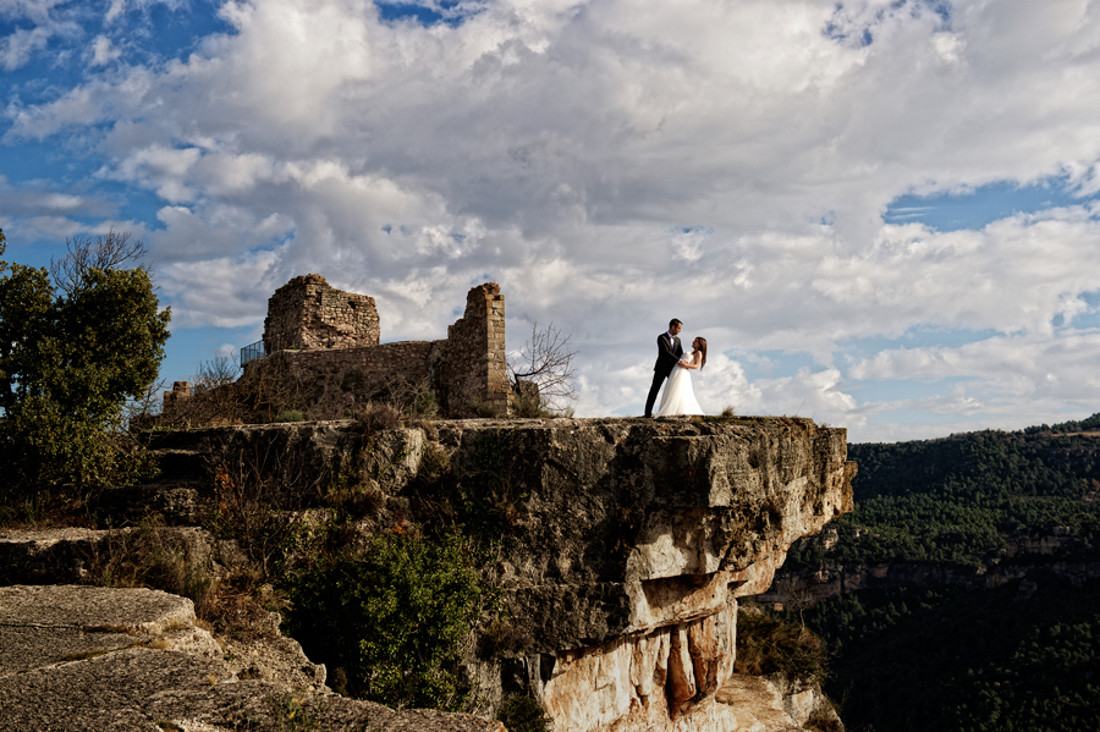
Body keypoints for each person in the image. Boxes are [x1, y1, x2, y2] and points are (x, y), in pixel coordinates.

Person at [656, 336, 707, 416]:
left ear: (700, 344)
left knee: (679, 389)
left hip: (683, 372)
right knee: (672, 389)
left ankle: (678, 409)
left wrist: (685, 365)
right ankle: (672, 409)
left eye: (696, 341)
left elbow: (696, 366)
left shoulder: (699, 353)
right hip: (676, 371)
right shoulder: (692, 352)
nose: (693, 342)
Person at [644, 319, 684, 418]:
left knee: (676, 388)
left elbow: (680, 353)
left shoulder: (678, 340)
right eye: (679, 328)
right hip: (661, 368)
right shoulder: (661, 337)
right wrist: (678, 360)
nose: (680, 330)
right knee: (654, 390)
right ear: (673, 327)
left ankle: (675, 411)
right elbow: (665, 352)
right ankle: (647, 414)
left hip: (672, 369)